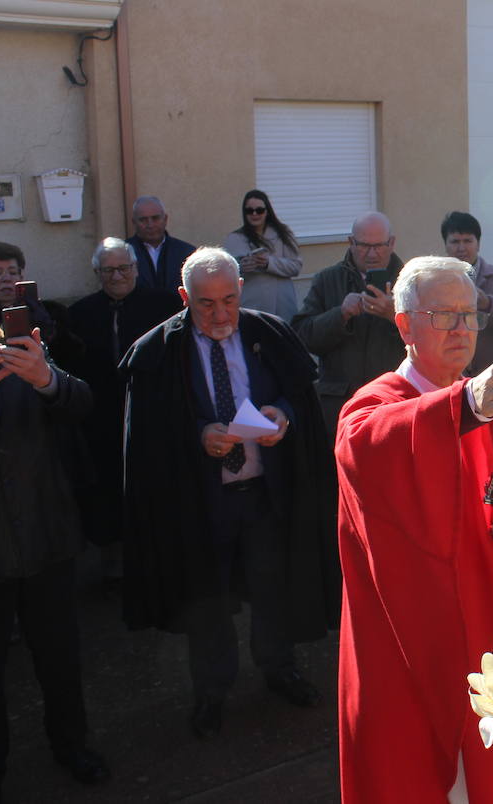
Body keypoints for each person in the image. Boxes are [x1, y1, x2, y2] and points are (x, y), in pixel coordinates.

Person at [335, 255, 493, 803]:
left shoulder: (492, 401)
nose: (462, 330)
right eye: (442, 316)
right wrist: (461, 405)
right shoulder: (378, 404)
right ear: (404, 326)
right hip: (417, 643)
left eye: (470, 316)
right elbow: (367, 445)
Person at [120, 248, 338, 740]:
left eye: (229, 301)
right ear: (183, 298)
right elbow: (148, 433)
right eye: (205, 304)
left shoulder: (267, 332)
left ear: (241, 292)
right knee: (207, 598)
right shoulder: (157, 351)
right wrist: (198, 433)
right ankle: (212, 691)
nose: (220, 315)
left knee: (272, 585)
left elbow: (299, 391)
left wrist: (283, 414)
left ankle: (279, 669)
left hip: (263, 493)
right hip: (199, 503)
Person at [0, 254, 109, 802]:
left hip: (45, 538)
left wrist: (46, 379)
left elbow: (82, 404)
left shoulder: (19, 346)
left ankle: (72, 746)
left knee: (59, 659)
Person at [66, 238, 181, 558]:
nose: (116, 276)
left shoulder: (165, 306)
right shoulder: (80, 313)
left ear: (136, 269)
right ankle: (114, 565)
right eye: (108, 270)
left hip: (153, 414)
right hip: (101, 418)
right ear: (97, 272)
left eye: (123, 268)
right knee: (108, 490)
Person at [292, 211, 405, 437]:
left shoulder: (410, 281)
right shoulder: (327, 279)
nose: (372, 254)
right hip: (339, 406)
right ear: (350, 243)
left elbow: (431, 340)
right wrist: (341, 315)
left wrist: (395, 317)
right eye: (364, 246)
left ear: (391, 243)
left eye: (379, 246)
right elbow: (302, 337)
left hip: (393, 405)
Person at [0, 239, 83, 371]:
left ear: (21, 276)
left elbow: (76, 358)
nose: (7, 278)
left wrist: (52, 335)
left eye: (13, 272)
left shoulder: (52, 311)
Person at [441, 210, 493, 374]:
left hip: (490, 375)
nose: (461, 248)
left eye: (468, 241)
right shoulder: (434, 281)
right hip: (447, 374)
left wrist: (488, 304)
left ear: (478, 244)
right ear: (445, 245)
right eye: (455, 241)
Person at [223, 189, 303, 319]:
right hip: (251, 306)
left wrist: (268, 263)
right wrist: (240, 267)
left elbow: (296, 266)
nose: (255, 214)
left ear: (267, 211)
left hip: (281, 307)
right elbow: (225, 274)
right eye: (250, 211)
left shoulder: (283, 234)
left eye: (259, 210)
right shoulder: (235, 238)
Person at [127, 195, 196, 291]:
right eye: (143, 220)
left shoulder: (187, 253)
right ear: (134, 222)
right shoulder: (123, 254)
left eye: (155, 218)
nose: (150, 225)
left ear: (165, 219)